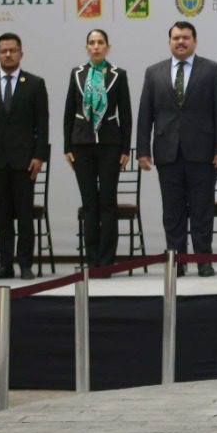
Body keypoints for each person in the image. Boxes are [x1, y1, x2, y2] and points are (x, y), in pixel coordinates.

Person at [137, 21, 217, 277]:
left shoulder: (212, 70)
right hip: (167, 152)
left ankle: (203, 260)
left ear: (195, 41)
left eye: (186, 38)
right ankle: (176, 261)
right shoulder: (153, 72)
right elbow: (145, 113)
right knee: (172, 210)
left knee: (202, 209)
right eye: (176, 37)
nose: (181, 42)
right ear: (169, 41)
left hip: (203, 153)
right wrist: (142, 150)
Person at [0, 33, 49, 279]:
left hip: (25, 162)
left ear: (21, 54)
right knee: (3, 217)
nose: (8, 54)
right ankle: (5, 264)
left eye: (13, 50)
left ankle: (25, 264)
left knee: (25, 216)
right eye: (4, 51)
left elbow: (43, 124)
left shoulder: (35, 84)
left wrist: (39, 157)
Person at [64, 29, 132, 271]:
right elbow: (69, 112)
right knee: (89, 203)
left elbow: (126, 114)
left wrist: (125, 149)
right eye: (91, 43)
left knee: (108, 203)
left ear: (108, 47)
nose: (96, 47)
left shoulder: (118, 75)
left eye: (100, 42)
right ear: (86, 47)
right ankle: (91, 260)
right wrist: (67, 146)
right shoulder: (77, 74)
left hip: (110, 145)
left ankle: (107, 260)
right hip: (81, 145)